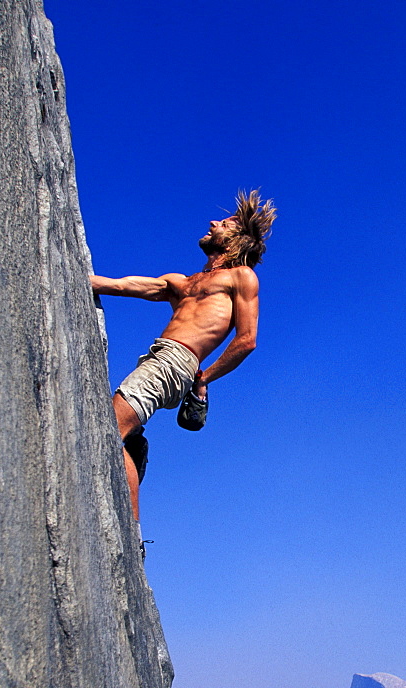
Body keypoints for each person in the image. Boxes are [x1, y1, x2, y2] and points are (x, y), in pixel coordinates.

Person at [90, 189, 276, 541]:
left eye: (224, 223)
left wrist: (203, 376)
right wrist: (83, 280)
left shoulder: (241, 277)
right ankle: (132, 537)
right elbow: (128, 285)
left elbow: (246, 339)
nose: (212, 222)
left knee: (104, 428)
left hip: (177, 362)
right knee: (124, 440)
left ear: (239, 239)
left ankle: (110, 519)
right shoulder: (183, 282)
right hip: (158, 357)